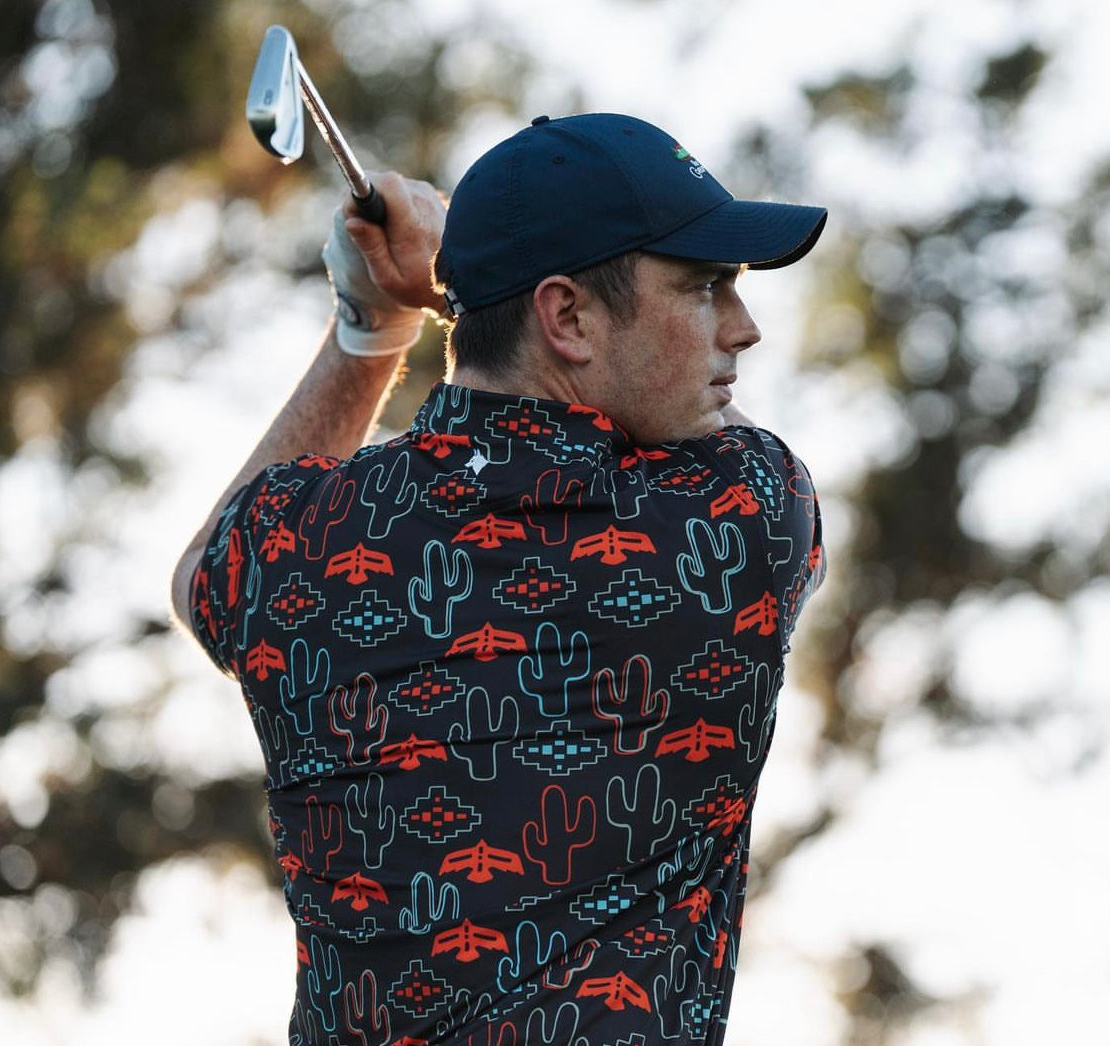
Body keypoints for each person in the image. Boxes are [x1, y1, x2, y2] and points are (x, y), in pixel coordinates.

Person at [171, 112, 828, 1046]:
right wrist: (450, 297)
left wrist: (375, 324)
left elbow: (202, 574)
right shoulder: (742, 516)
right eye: (704, 287)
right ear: (566, 316)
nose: (743, 327)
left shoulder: (296, 543)